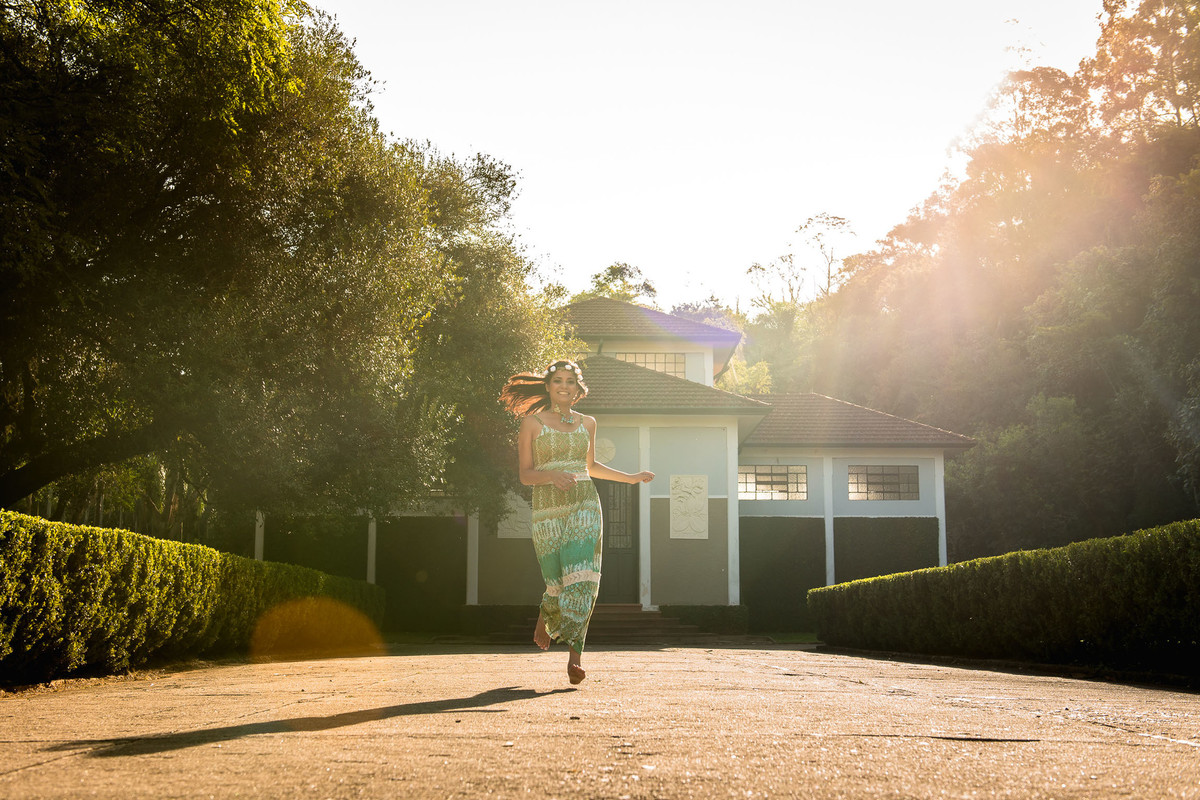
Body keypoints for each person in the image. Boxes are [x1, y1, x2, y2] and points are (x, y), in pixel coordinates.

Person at [499, 360, 654, 685]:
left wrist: (630, 478)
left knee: (582, 574)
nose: (564, 386)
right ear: (549, 386)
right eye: (558, 380)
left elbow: (591, 465)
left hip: (584, 502)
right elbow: (525, 475)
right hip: (548, 506)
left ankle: (575, 657)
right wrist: (551, 475)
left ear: (578, 388)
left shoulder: (588, 423)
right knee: (556, 577)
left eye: (570, 381)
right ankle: (547, 612)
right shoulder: (532, 423)